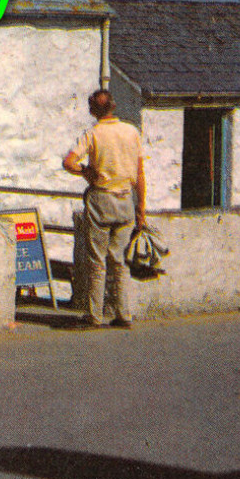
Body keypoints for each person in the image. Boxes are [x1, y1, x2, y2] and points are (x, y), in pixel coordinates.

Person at [62, 89, 148, 329]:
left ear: (93, 110)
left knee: (97, 260)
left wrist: (86, 172)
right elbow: (140, 173)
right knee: (119, 259)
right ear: (113, 106)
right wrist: (141, 208)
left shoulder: (93, 134)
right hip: (125, 200)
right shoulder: (132, 132)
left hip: (102, 199)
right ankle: (124, 314)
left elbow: (69, 162)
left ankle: (95, 315)